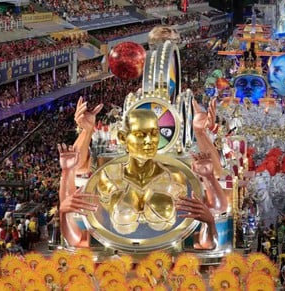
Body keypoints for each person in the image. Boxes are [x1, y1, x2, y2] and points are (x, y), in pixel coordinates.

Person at [59, 101, 227, 250]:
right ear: (123, 138)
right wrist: (85, 133)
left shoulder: (175, 177)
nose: (149, 140)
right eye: (141, 134)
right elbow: (77, 170)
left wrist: (200, 133)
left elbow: (217, 207)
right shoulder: (109, 175)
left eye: (154, 133)